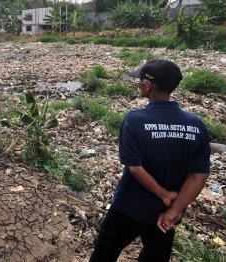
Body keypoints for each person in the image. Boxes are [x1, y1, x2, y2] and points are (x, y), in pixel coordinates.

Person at [89, 59, 210, 262]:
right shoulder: (196, 124)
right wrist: (174, 210)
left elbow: (136, 168)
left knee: (105, 253)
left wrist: (164, 195)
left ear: (148, 85)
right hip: (167, 212)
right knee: (155, 258)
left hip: (129, 208)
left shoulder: (135, 120)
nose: (138, 84)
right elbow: (200, 173)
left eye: (140, 80)